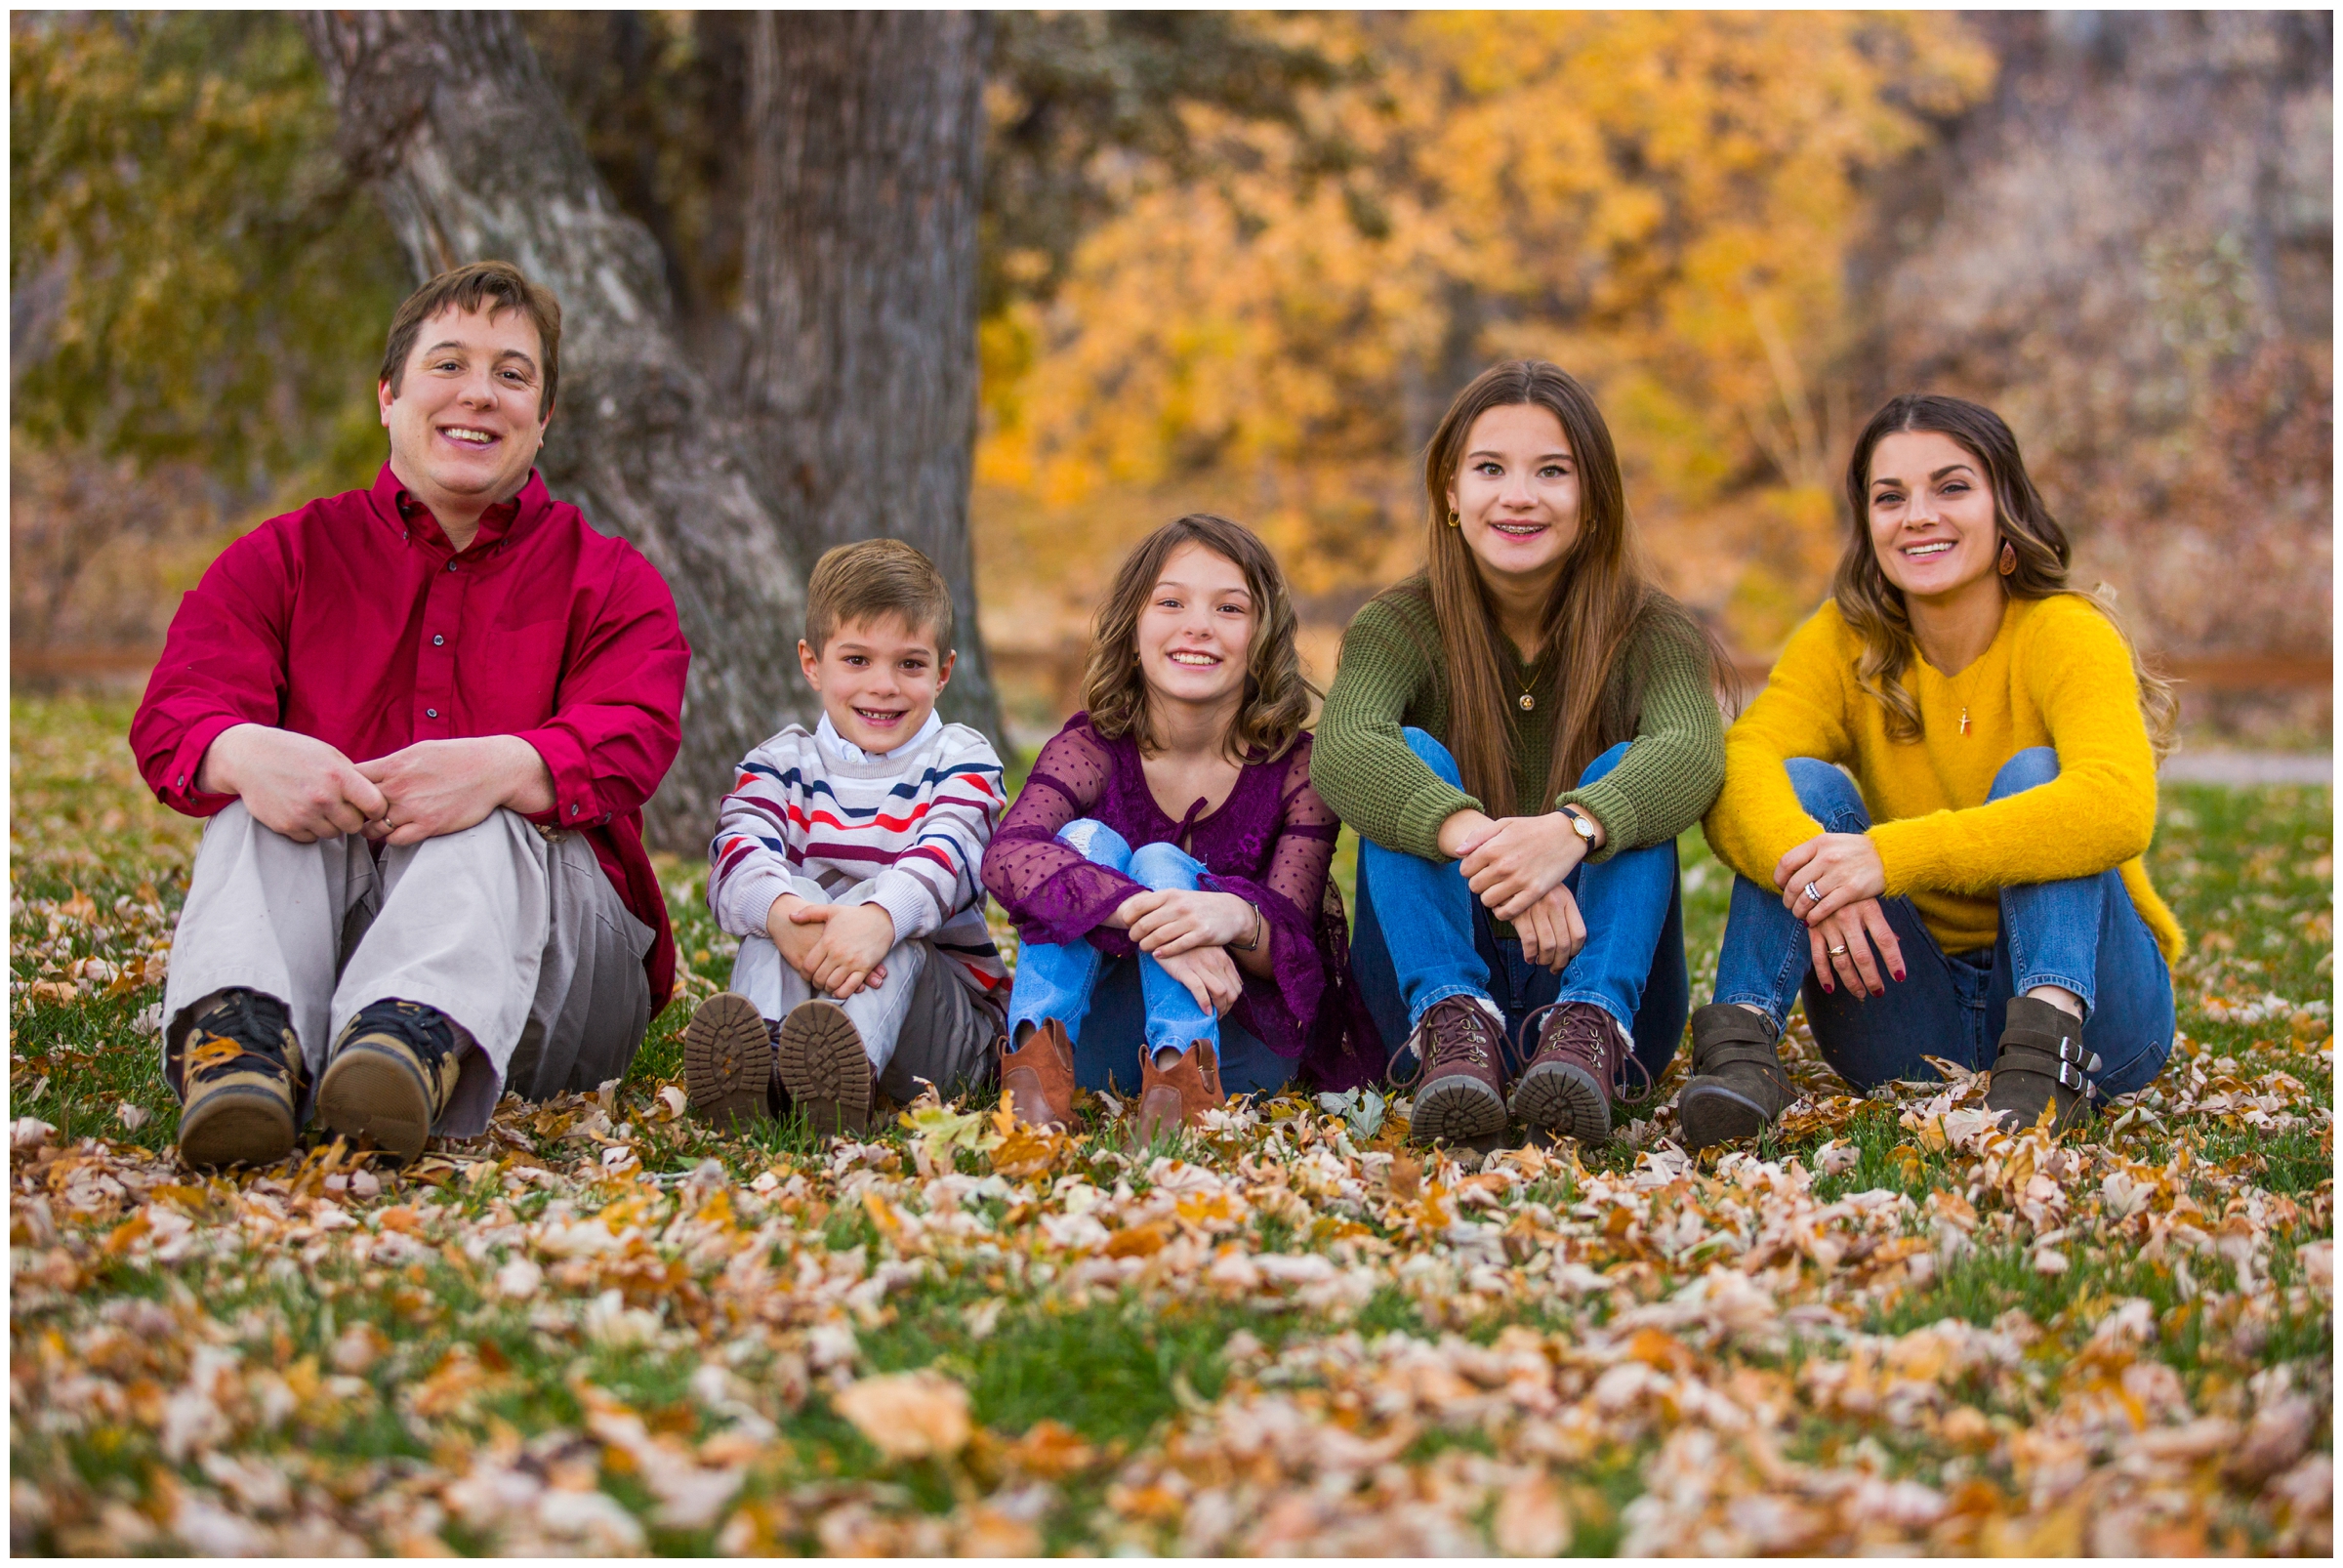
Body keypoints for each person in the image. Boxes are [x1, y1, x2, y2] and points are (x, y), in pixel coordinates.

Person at [131, 260, 690, 1169]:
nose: (481, 393)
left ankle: (410, 1045)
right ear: (388, 396)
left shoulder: (613, 580)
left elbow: (636, 729)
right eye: (449, 365)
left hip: (552, 979)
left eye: (513, 375)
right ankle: (244, 1048)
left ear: (542, 422)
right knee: (254, 797)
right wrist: (241, 753)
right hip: (328, 948)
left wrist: (505, 768)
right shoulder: (284, 558)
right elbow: (176, 709)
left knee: (495, 812)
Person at [1686, 393, 2181, 1146]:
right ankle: (1742, 1052)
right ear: (1870, 525)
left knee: (2038, 773)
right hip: (1905, 1016)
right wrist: (1822, 878)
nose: (1917, 515)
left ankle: (2046, 1061)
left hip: (2101, 1023)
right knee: (1801, 789)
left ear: (2003, 507)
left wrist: (1885, 859)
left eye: (1951, 487)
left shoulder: (2065, 633)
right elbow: (1741, 764)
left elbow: (2115, 805)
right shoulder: (1844, 640)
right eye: (1891, 497)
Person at [1314, 360, 1728, 1149]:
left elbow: (1690, 750)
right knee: (1408, 754)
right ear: (1449, 492)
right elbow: (1346, 747)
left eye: (1552, 472)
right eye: (1490, 469)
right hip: (1416, 991)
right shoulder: (1395, 625)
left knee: (1625, 777)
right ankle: (1453, 1022)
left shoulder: (1654, 630)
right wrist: (1491, 843)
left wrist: (1571, 830)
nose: (1518, 495)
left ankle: (1588, 1028)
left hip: (1605, 979)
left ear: (1594, 499)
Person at [982, 515, 1379, 1141]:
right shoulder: (1091, 747)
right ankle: (1033, 1067)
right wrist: (1163, 917)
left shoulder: (1297, 765)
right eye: (1171, 601)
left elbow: (1296, 947)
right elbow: (1009, 857)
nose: (1197, 625)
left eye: (1229, 608)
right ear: (1134, 624)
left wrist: (1232, 918)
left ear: (1262, 634)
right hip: (1094, 1035)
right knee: (1094, 846)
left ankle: (1181, 1076)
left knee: (1163, 863)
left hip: (1235, 1042)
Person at [688, 540, 1007, 1135]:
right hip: (807, 989)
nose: (883, 686)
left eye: (910, 665)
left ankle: (839, 1073)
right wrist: (783, 913)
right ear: (813, 664)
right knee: (776, 911)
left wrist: (879, 919)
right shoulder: (779, 763)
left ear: (943, 673)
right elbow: (735, 853)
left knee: (897, 929)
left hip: (938, 1038)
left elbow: (950, 853)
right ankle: (761, 1069)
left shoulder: (962, 759)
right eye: (857, 660)